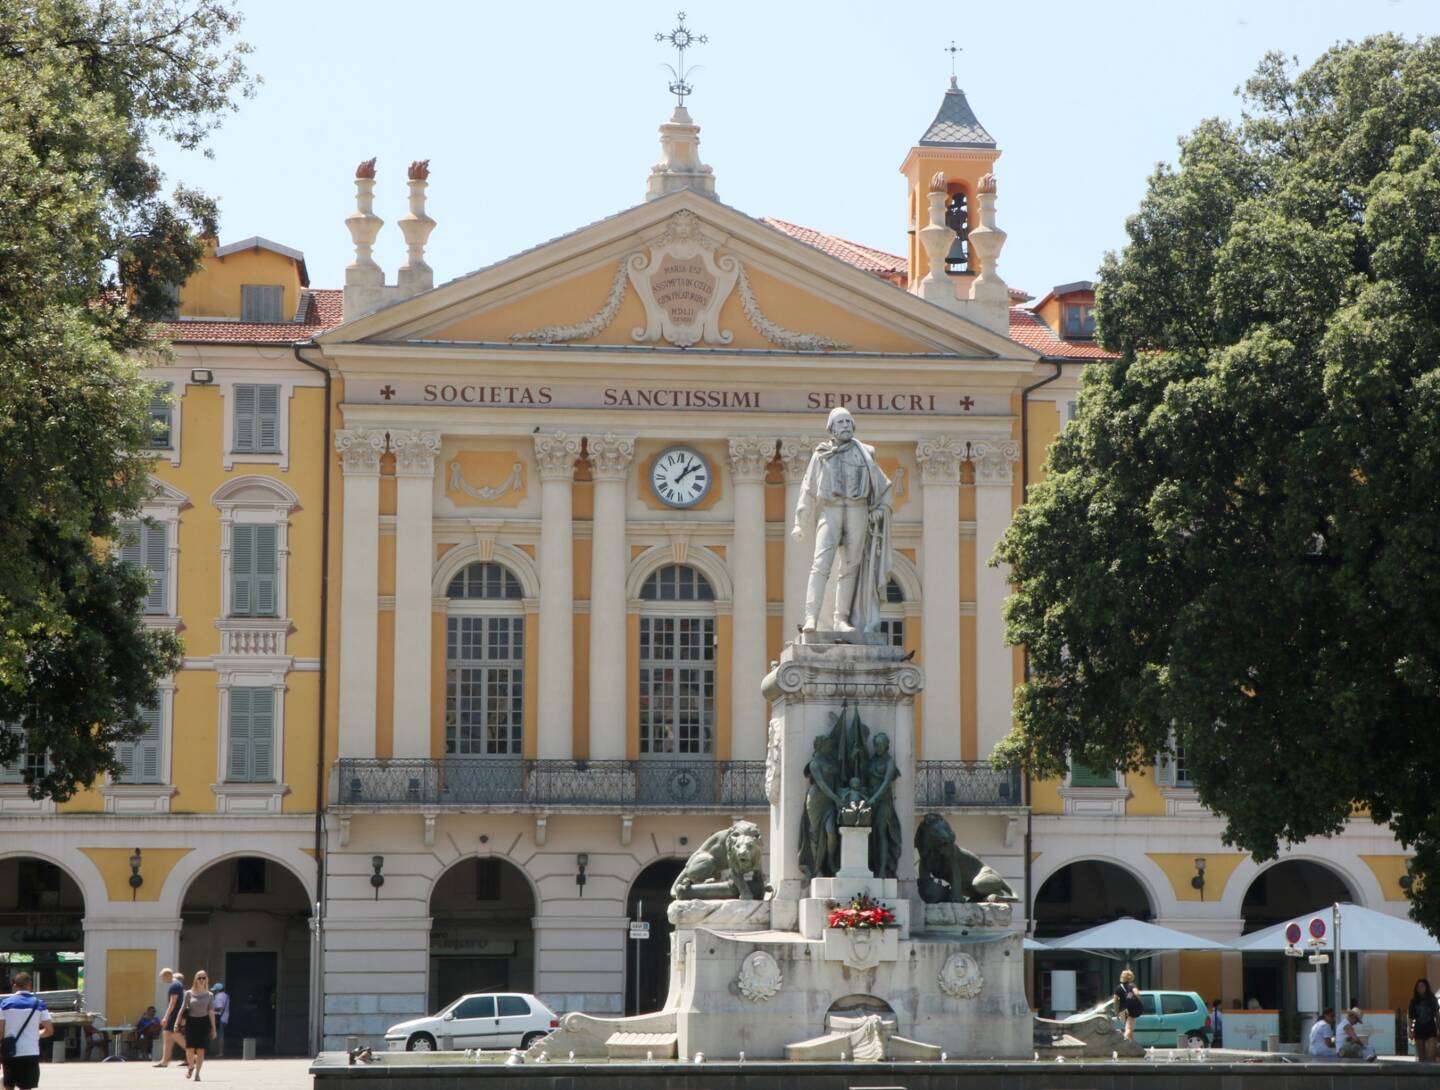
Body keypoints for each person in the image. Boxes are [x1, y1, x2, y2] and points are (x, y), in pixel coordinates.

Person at [791, 407, 893, 634]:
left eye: (849, 422)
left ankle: (841, 619)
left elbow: (884, 486)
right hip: (831, 510)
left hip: (857, 510)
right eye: (840, 422)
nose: (846, 426)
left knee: (850, 567)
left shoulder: (865, 453)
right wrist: (800, 522)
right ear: (831, 429)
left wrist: (881, 508)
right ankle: (811, 618)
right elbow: (808, 489)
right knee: (820, 565)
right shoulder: (821, 455)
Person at [1, 971, 53, 1090]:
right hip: (31, 1052)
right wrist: (36, 1034)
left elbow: (0, 1032)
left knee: (8, 1086)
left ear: (14, 985)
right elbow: (49, 1030)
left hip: (10, 1053)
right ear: (30, 985)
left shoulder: (4, 1004)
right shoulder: (39, 1004)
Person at [179, 970, 217, 1081]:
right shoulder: (188, 993)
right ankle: (191, 1066)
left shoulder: (210, 995)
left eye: (203, 978)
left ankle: (197, 1073)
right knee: (190, 1049)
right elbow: (182, 1009)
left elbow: (211, 1012)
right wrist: (177, 1022)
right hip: (191, 1022)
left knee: (201, 1049)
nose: (201, 980)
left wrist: (214, 1029)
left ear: (206, 979)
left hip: (204, 1023)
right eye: (199, 978)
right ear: (195, 979)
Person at [157, 969, 187, 1070]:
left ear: (168, 975)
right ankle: (165, 1061)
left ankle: (192, 1054)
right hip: (175, 1014)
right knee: (167, 1035)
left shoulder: (175, 986)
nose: (162, 979)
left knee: (175, 1035)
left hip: (174, 1014)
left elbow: (172, 1003)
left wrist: (166, 1016)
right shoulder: (177, 985)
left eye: (162, 977)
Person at [1410, 978, 1438, 1063]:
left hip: (1431, 1029)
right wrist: (1410, 1031)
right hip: (1419, 1029)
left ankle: (1432, 1074)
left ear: (1426, 987)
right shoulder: (1414, 1001)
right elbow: (1411, 1018)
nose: (1420, 988)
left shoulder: (1432, 999)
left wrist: (1439, 1028)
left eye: (1422, 986)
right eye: (1418, 987)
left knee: (1431, 1055)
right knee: (1421, 1058)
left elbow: (1437, 1014)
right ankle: (1422, 1075)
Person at [1112, 968, 1143, 1040]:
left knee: (1130, 1029)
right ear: (1130, 977)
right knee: (1129, 1028)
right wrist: (1136, 999)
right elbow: (1137, 994)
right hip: (1131, 1010)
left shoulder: (1118, 988)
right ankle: (1123, 1041)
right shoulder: (1132, 985)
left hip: (1122, 1011)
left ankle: (1131, 1045)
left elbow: (1115, 1001)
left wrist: (1116, 1012)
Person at [209, 985, 229, 1056]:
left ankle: (220, 1052)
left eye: (215, 990)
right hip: (224, 1018)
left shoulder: (218, 996)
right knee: (221, 1035)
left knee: (220, 1035)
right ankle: (220, 1051)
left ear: (218, 990)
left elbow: (220, 1008)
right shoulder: (226, 996)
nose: (214, 991)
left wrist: (210, 1009)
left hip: (219, 1017)